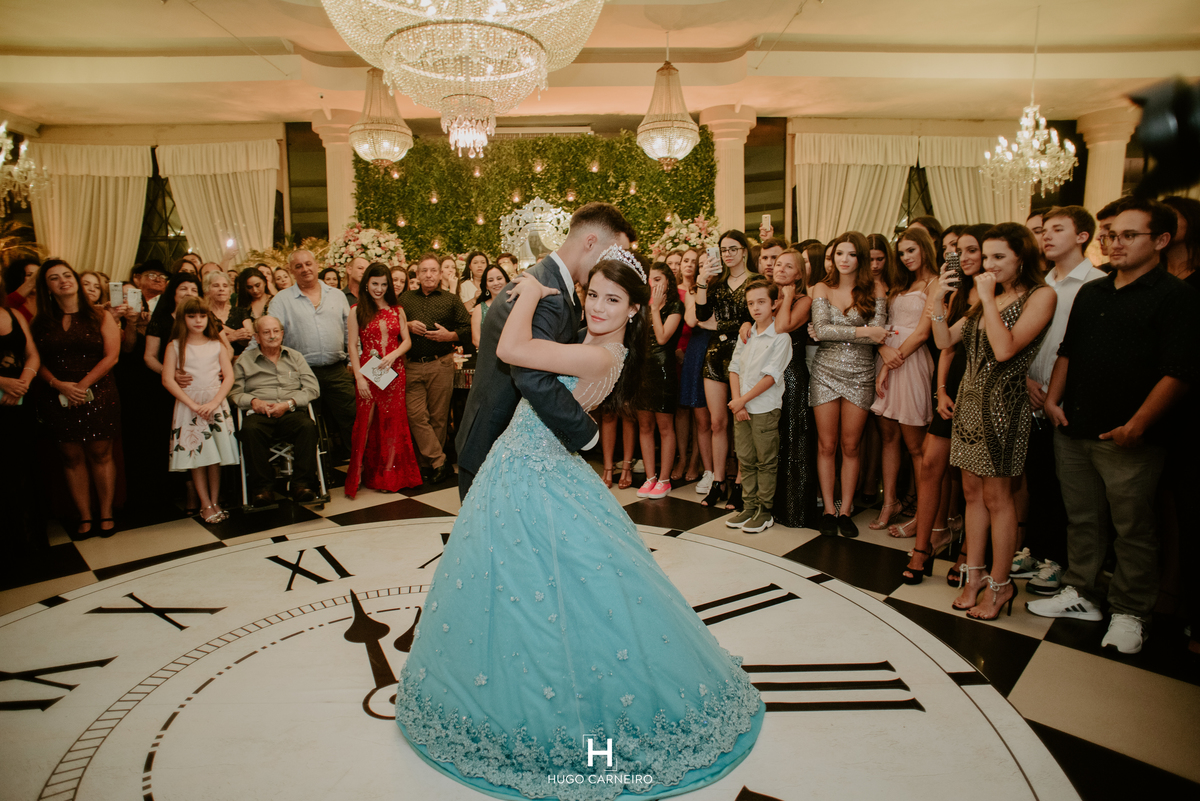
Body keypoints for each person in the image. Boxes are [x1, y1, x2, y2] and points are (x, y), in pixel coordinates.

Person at [394, 249, 763, 797]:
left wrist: (529, 289)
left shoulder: (600, 355)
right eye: (592, 295)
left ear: (635, 309)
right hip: (523, 465)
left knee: (553, 596)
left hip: (533, 472)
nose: (598, 306)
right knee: (519, 588)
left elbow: (511, 350)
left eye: (614, 299)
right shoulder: (589, 342)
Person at [1032, 197, 1198, 654]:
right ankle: (1081, 591)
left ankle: (1131, 611)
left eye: (1128, 235)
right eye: (1110, 235)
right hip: (1074, 425)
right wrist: (1053, 401)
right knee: (1082, 518)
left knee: (1133, 528)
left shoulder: (1177, 297)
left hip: (1127, 435)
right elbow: (1068, 351)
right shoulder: (1094, 290)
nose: (1115, 243)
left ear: (1160, 240)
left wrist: (1137, 425)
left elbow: (1179, 372)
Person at [456, 202, 636, 501]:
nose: (615, 265)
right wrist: (584, 430)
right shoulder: (545, 290)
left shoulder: (557, 286)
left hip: (512, 444)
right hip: (496, 438)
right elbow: (532, 376)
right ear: (590, 242)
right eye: (613, 253)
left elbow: (560, 351)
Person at [930, 223, 1056, 621]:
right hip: (968, 406)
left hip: (1003, 409)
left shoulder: (1040, 295)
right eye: (986, 257)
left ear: (1022, 257)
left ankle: (1001, 585)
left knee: (998, 499)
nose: (989, 265)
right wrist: (936, 300)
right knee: (971, 495)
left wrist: (985, 297)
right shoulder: (988, 297)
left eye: (999, 257)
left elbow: (1004, 351)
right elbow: (944, 341)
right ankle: (975, 576)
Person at [1016, 205, 1105, 593]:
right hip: (1029, 393)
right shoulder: (1040, 283)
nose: (1046, 236)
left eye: (1057, 229)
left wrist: (1053, 391)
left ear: (1082, 236)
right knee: (1036, 480)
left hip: (1066, 399)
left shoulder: (1097, 284)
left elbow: (1083, 351)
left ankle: (1058, 561)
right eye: (1043, 231)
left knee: (1067, 490)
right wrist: (1025, 380)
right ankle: (1036, 550)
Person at [899, 223, 990, 585]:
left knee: (972, 483)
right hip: (951, 386)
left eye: (972, 250)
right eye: (959, 251)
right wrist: (940, 390)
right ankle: (922, 548)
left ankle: (966, 553)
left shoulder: (998, 295)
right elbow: (946, 346)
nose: (963, 257)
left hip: (982, 390)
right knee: (930, 465)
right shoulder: (957, 293)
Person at [32, 260, 122, 538]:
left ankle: (105, 512)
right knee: (70, 457)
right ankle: (84, 515)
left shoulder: (99, 315)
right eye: (54, 278)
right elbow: (34, 360)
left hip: (98, 391)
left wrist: (81, 386)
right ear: (47, 287)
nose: (63, 281)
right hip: (57, 395)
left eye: (67, 275)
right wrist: (59, 385)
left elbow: (112, 356)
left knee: (100, 453)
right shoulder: (40, 322)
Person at [809, 232, 889, 538]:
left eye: (851, 254)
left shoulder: (875, 288)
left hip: (861, 372)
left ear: (861, 258)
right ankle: (828, 510)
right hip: (825, 371)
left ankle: (845, 510)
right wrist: (863, 332)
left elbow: (880, 333)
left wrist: (860, 333)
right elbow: (820, 330)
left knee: (851, 446)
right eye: (839, 253)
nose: (844, 260)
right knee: (826, 445)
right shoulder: (822, 287)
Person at [869, 227, 937, 532]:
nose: (907, 257)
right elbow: (883, 323)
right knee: (888, 438)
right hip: (887, 355)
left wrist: (890, 363)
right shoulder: (899, 283)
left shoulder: (936, 283)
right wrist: (882, 351)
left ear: (924, 248)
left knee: (916, 446)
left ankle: (924, 515)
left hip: (910, 361)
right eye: (902, 252)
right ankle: (890, 503)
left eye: (912, 250)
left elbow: (923, 333)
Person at [268, 249, 357, 454]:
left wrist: (353, 361)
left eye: (308, 264)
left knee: (352, 417)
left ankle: (360, 464)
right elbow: (269, 333)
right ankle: (315, 469)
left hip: (337, 370)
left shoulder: (336, 295)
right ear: (291, 271)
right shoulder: (282, 300)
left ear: (317, 265)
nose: (305, 269)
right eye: (298, 266)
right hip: (300, 373)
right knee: (306, 424)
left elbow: (350, 331)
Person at [345, 264, 422, 498]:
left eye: (383, 284)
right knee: (365, 422)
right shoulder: (356, 310)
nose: (379, 289)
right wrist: (359, 377)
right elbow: (352, 346)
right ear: (366, 284)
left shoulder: (397, 310)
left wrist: (393, 355)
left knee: (393, 422)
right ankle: (357, 472)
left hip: (394, 371)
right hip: (368, 372)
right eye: (374, 284)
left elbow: (407, 341)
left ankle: (389, 472)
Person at [694, 229, 757, 510]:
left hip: (745, 355)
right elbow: (701, 316)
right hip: (715, 353)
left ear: (744, 250)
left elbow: (759, 318)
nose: (728, 254)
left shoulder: (757, 281)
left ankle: (741, 483)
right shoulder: (716, 284)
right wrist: (702, 281)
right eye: (723, 250)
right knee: (717, 422)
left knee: (741, 422)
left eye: (733, 248)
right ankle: (719, 482)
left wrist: (730, 325)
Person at [229, 316, 322, 505]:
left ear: (282, 333)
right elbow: (234, 393)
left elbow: (313, 389)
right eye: (266, 332)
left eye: (276, 331)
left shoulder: (295, 357)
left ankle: (302, 485)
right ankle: (263, 489)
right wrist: (253, 401)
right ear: (256, 337)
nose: (272, 336)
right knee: (249, 430)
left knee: (307, 426)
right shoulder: (245, 360)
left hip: (291, 411)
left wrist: (288, 404)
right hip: (259, 413)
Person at [161, 298, 239, 524]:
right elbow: (167, 380)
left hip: (215, 404)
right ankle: (205, 503)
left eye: (202, 316)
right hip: (190, 406)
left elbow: (229, 377)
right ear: (182, 319)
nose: (198, 321)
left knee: (215, 457)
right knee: (198, 456)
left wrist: (214, 402)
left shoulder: (217, 345)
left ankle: (215, 501)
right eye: (192, 316)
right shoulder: (174, 346)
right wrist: (193, 405)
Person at [725, 278, 792, 533]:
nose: (755, 307)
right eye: (751, 303)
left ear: (774, 304)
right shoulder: (747, 334)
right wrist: (737, 402)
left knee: (765, 461)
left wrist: (743, 400)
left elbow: (771, 376)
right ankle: (749, 506)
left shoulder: (781, 338)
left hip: (764, 407)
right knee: (746, 459)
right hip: (741, 407)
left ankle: (765, 510)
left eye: (761, 302)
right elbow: (734, 368)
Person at [400, 254, 471, 484]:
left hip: (441, 363)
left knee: (439, 417)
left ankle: (427, 465)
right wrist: (407, 325)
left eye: (433, 271)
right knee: (415, 415)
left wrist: (449, 336)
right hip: (412, 364)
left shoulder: (451, 300)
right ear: (417, 274)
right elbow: (392, 325)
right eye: (424, 271)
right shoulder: (405, 299)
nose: (429, 275)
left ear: (440, 274)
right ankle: (439, 461)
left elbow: (467, 329)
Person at [768, 248, 817, 529]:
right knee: (771, 438)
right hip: (769, 375)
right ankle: (768, 503)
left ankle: (793, 508)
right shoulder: (769, 296)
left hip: (792, 375)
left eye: (788, 266)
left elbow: (781, 327)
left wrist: (786, 298)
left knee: (792, 436)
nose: (781, 269)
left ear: (799, 273)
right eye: (778, 264)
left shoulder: (803, 300)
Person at [634, 262, 683, 499]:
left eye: (658, 279)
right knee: (644, 426)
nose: (653, 284)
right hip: (642, 369)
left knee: (665, 426)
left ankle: (664, 479)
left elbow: (662, 338)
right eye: (650, 280)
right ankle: (650, 477)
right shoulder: (642, 305)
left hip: (663, 369)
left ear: (668, 281)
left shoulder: (675, 306)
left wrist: (655, 309)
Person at [203, 271, 255, 356]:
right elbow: (205, 345)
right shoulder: (203, 314)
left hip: (243, 358)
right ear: (207, 290)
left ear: (230, 291)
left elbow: (251, 337)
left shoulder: (240, 311)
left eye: (225, 286)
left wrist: (225, 333)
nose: (221, 289)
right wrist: (233, 336)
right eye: (216, 285)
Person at [469, 264, 509, 348]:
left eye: (499, 278)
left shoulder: (517, 304)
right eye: (490, 280)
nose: (496, 283)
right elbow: (476, 340)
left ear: (506, 281)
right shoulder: (479, 309)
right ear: (486, 285)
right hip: (488, 354)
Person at [4, 256, 40, 323]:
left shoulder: (48, 300)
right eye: (29, 275)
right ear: (17, 278)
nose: (37, 278)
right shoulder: (11, 303)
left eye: (39, 275)